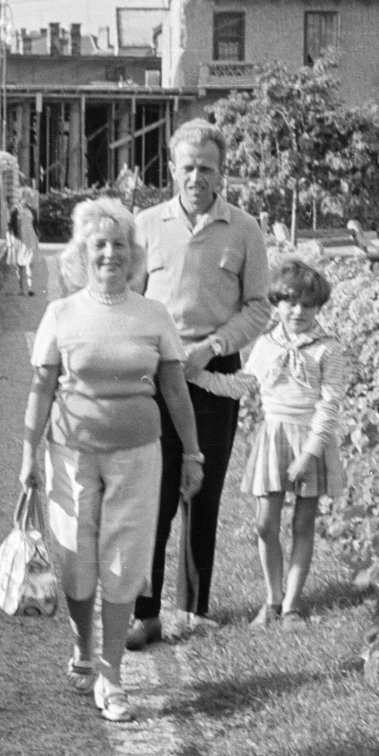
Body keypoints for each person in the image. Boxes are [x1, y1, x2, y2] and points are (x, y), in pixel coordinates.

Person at [19, 198, 202, 723]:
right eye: (99, 245)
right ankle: (82, 647)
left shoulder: (153, 315)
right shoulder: (61, 313)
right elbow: (40, 388)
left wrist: (192, 452)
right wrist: (26, 455)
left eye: (119, 244)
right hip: (71, 452)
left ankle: (112, 674)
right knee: (77, 555)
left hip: (138, 454)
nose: (110, 254)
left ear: (134, 253)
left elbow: (174, 388)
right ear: (82, 253)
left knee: (123, 561)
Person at [128, 119, 270, 649]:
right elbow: (131, 300)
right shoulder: (144, 224)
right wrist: (158, 353)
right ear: (171, 169)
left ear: (222, 172)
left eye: (205, 168)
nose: (195, 177)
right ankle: (145, 612)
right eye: (186, 167)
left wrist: (211, 347)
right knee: (154, 495)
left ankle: (193, 608)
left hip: (213, 375)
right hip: (154, 377)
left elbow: (259, 308)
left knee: (201, 491)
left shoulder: (245, 229)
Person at [184, 259, 351, 629]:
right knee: (265, 524)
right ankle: (272, 600)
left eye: (308, 305)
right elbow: (241, 385)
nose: (298, 311)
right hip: (274, 436)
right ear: (277, 304)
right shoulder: (267, 343)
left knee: (303, 524)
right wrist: (196, 376)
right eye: (290, 303)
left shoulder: (328, 348)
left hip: (311, 440)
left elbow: (330, 404)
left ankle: (291, 606)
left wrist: (310, 453)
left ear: (319, 308)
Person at [7, 185, 40, 295]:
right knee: (20, 264)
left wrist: (37, 234)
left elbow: (35, 225)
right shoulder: (16, 210)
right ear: (22, 197)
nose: (29, 199)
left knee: (29, 262)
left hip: (31, 238)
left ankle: (30, 288)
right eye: (27, 196)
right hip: (20, 239)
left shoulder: (32, 211)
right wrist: (12, 240)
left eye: (30, 197)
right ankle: (21, 288)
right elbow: (11, 226)